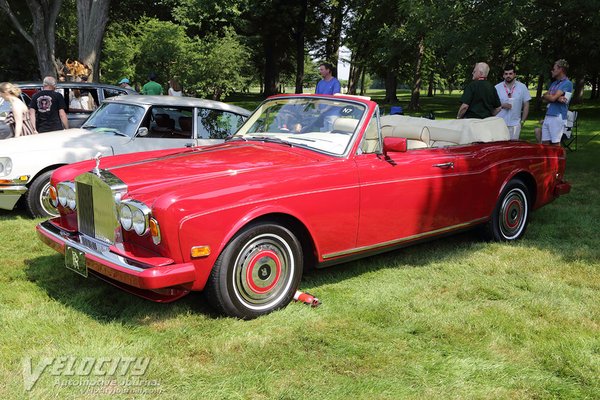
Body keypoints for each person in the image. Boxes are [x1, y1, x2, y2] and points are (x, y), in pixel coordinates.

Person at [541, 59, 573, 146]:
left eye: (554, 69)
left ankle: (560, 160)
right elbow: (544, 98)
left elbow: (551, 98)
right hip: (548, 115)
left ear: (560, 69)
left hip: (557, 116)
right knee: (545, 144)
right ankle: (547, 160)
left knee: (555, 144)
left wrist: (553, 97)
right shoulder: (554, 83)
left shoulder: (567, 83)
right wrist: (556, 98)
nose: (552, 71)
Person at [495, 64, 531, 140]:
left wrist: (522, 121)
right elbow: (492, 105)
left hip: (515, 124)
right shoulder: (497, 88)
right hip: (499, 123)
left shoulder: (522, 87)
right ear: (503, 75)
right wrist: (502, 105)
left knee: (513, 149)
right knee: (500, 148)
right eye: (506, 74)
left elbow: (526, 105)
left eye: (510, 73)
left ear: (515, 74)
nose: (508, 76)